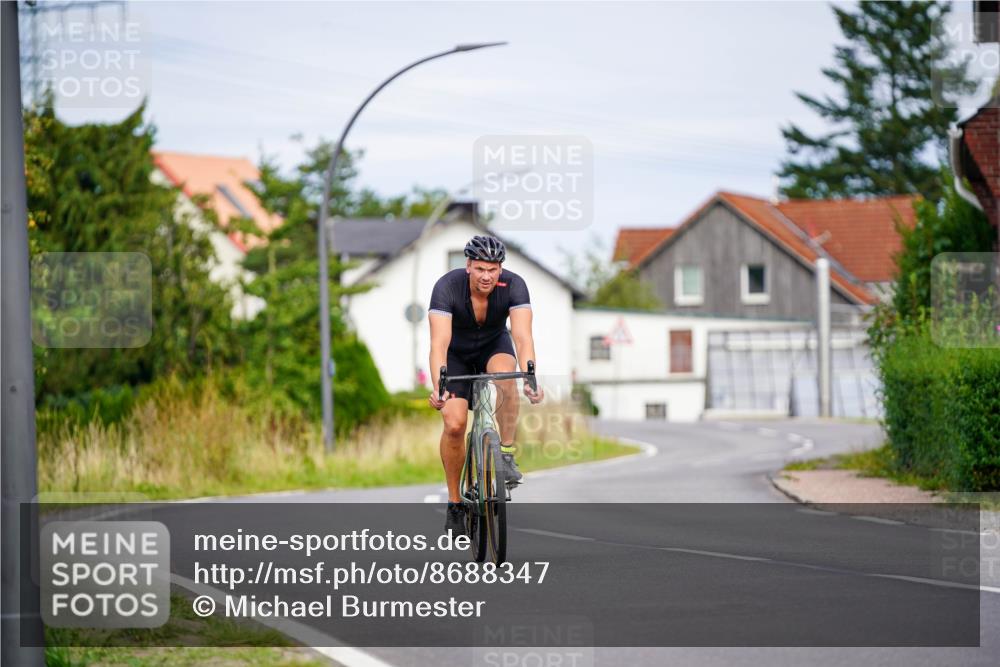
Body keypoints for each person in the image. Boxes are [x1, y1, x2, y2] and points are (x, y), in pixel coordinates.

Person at [427, 235, 544, 536]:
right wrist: (439, 384)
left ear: (500, 269)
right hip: (455, 354)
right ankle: (455, 503)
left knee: (508, 379)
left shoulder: (514, 285)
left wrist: (530, 377)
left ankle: (504, 452)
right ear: (468, 266)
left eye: (493, 269)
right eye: (480, 268)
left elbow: (522, 337)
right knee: (454, 425)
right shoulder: (447, 287)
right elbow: (439, 342)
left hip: (494, 345)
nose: (487, 276)